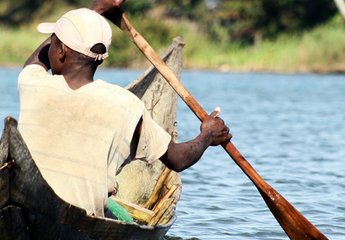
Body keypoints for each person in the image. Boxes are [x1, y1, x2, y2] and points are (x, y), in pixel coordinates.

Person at [17, 0, 232, 218]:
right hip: (83, 219)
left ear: (61, 51)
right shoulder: (126, 104)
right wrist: (207, 135)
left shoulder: (33, 84)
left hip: (29, 207)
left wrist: (97, 9)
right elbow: (177, 159)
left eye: (54, 43)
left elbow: (37, 59)